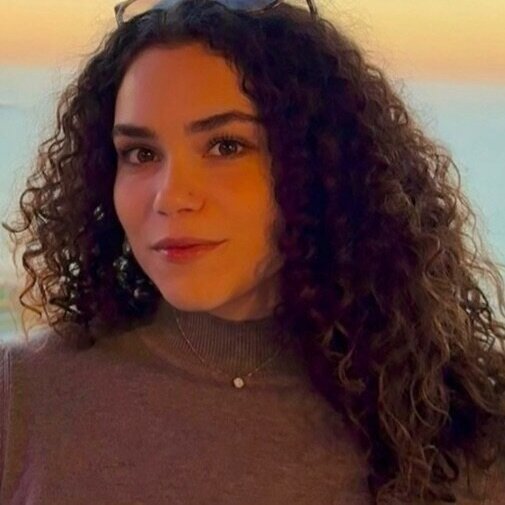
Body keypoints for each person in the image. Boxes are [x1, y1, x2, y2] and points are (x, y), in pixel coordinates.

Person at [1, 0, 505, 503]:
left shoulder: (456, 427)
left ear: (318, 167)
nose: (170, 196)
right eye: (141, 153)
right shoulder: (24, 397)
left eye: (226, 146)